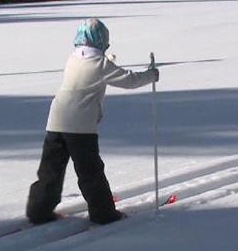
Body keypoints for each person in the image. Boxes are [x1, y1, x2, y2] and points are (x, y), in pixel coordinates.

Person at [26, 18, 159, 226]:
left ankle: (38, 211)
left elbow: (92, 70)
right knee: (90, 171)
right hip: (80, 126)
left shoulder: (73, 58)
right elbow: (128, 80)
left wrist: (109, 60)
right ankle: (103, 213)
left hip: (56, 120)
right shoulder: (101, 64)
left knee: (50, 170)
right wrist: (151, 75)